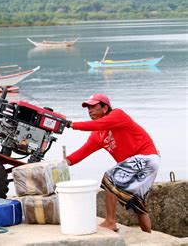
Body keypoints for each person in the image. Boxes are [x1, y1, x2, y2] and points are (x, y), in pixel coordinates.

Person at [66, 93, 160, 233]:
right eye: (88, 107)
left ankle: (110, 222)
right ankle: (150, 237)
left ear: (105, 108)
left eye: (93, 106)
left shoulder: (118, 115)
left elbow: (97, 124)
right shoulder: (98, 135)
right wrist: (61, 163)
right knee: (138, 203)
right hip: (140, 164)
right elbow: (81, 153)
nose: (89, 110)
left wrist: (70, 124)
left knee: (111, 177)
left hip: (147, 157)